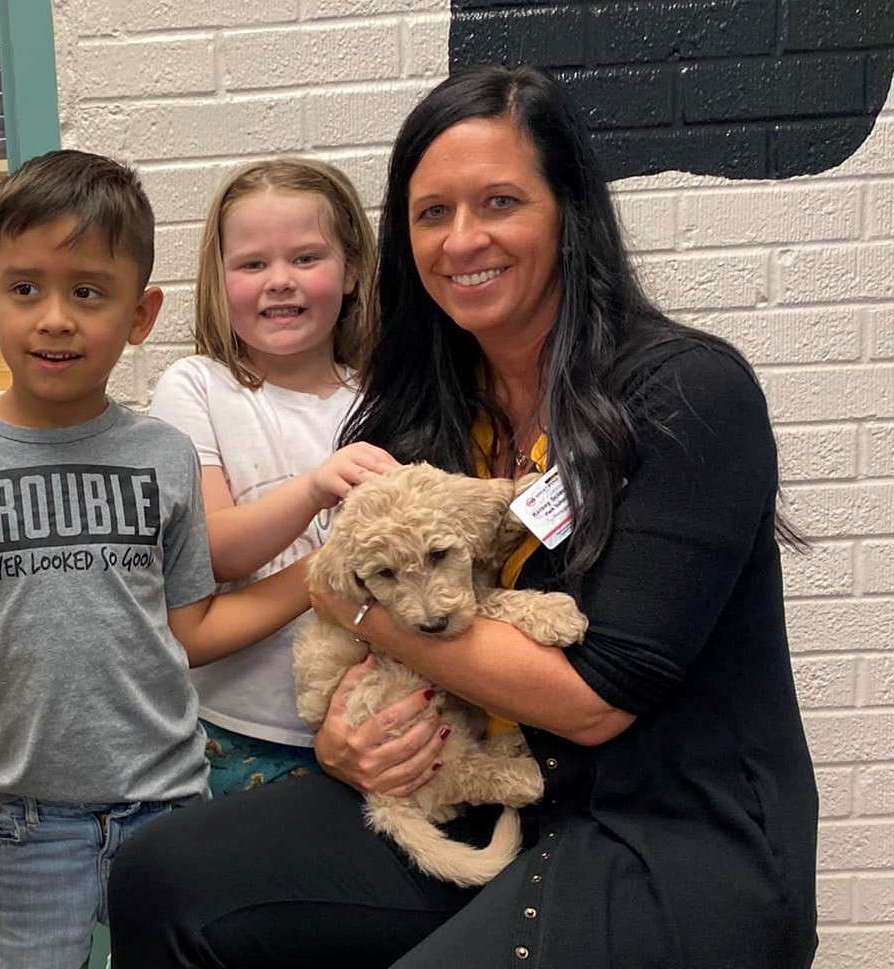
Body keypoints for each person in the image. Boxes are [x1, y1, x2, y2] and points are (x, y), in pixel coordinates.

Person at [109, 64, 819, 969]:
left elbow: (594, 702)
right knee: (159, 875)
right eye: (431, 212)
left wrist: (352, 606)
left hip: (667, 825)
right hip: (481, 782)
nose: (462, 239)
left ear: (570, 212)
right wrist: (340, 742)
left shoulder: (687, 394)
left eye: (499, 201)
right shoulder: (419, 408)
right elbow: (350, 614)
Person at [0, 149, 315, 969]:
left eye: (88, 291)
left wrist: (314, 580)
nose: (55, 318)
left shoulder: (164, 455)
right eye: (26, 289)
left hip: (168, 806)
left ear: (141, 312)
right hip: (16, 820)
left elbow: (188, 625)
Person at [149, 158, 398, 796]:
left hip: (378, 721)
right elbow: (207, 550)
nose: (279, 282)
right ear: (219, 277)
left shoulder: (388, 394)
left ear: (352, 273)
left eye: (307, 258)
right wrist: (317, 489)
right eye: (253, 264)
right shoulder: (197, 387)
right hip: (238, 732)